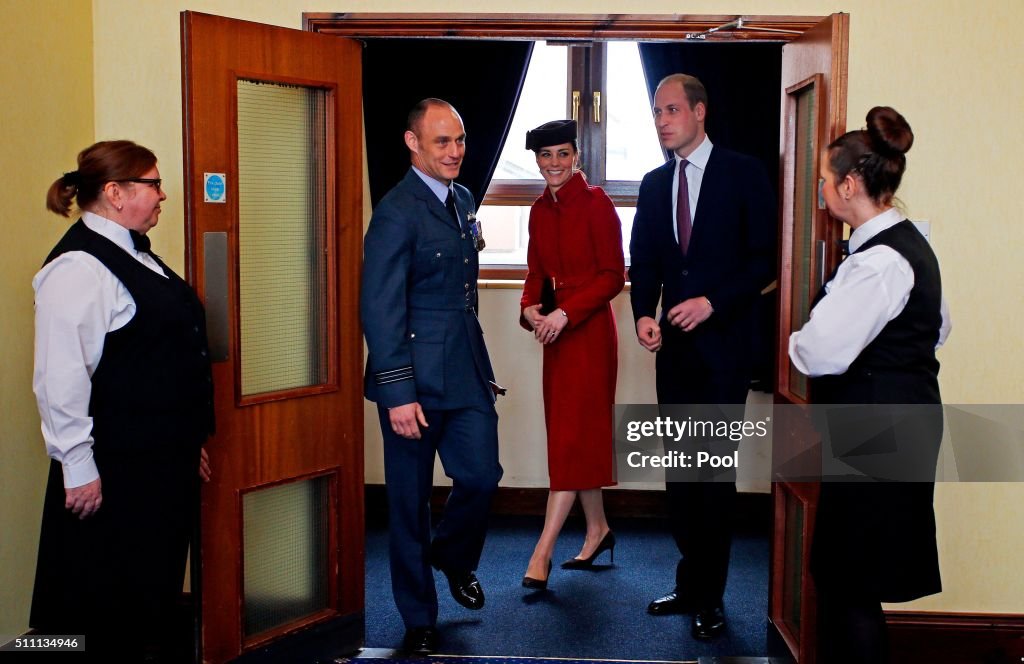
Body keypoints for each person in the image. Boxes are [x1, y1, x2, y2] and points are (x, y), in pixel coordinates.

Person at [30, 140, 214, 661]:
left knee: (144, 598)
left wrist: (186, 441)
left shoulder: (136, 252)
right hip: (112, 471)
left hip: (156, 464)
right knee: (95, 601)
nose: (162, 196)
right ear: (114, 193)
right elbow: (59, 377)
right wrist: (78, 466)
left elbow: (158, 356)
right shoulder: (77, 270)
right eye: (153, 184)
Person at [789, 106, 949, 663]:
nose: (822, 191)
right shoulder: (908, 243)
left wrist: (796, 338)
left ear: (850, 184)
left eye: (826, 181)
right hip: (898, 428)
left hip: (876, 437)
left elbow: (817, 352)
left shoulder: (876, 262)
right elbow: (940, 329)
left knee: (849, 582)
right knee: (851, 577)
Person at [628, 73, 776, 639]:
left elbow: (766, 259)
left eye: (670, 110)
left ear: (699, 112)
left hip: (726, 349)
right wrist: (645, 310)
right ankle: (689, 583)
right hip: (676, 353)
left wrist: (713, 302)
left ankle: (712, 597)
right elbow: (642, 257)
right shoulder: (651, 182)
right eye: (657, 111)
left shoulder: (744, 173)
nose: (662, 120)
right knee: (681, 474)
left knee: (712, 475)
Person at [361, 98, 503, 656]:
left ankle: (452, 556)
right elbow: (381, 306)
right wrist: (397, 391)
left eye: (461, 140)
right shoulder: (397, 211)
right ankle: (418, 615)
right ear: (412, 143)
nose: (455, 151)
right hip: (413, 377)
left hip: (465, 366)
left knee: (481, 475)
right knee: (409, 501)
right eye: (442, 142)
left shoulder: (463, 197)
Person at [518, 120, 625, 590]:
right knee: (570, 435)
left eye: (563, 154)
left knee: (570, 438)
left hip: (588, 334)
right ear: (537, 160)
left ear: (577, 156)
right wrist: (529, 309)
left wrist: (565, 314)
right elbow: (536, 273)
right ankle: (598, 529)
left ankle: (542, 551)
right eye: (546, 155)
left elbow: (612, 277)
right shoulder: (539, 210)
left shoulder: (598, 204)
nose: (554, 163)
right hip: (555, 337)